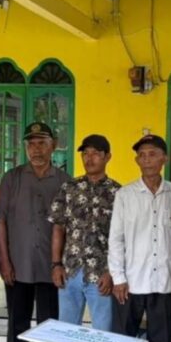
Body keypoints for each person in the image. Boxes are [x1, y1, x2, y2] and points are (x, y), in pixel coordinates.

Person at [108, 134, 171, 342]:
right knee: (123, 340)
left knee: (163, 339)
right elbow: (116, 239)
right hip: (131, 282)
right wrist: (118, 277)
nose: (147, 159)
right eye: (142, 155)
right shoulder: (125, 195)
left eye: (153, 154)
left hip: (165, 282)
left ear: (164, 158)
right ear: (137, 160)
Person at [0, 121, 69, 342]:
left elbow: (68, 226)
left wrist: (61, 264)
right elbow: (0, 220)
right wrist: (4, 262)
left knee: (50, 324)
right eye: (31, 144)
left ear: (53, 146)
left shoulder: (64, 181)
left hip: (51, 267)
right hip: (19, 264)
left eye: (42, 143)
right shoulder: (12, 178)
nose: (36, 150)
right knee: (18, 321)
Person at [49, 134, 120, 330]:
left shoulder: (118, 193)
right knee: (66, 331)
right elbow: (58, 227)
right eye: (85, 154)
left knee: (103, 332)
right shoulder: (69, 188)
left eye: (95, 153)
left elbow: (123, 238)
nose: (89, 158)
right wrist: (56, 265)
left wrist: (112, 272)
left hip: (102, 274)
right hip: (70, 270)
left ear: (107, 157)